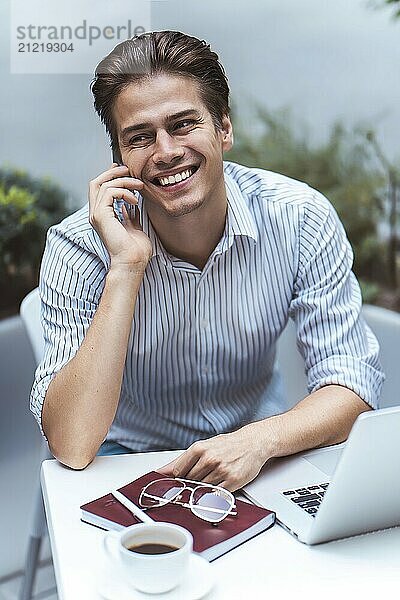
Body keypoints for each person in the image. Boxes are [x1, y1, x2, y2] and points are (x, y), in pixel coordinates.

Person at [30, 30, 384, 491]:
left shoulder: (300, 218)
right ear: (118, 157)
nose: (167, 151)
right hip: (126, 456)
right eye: (140, 137)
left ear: (224, 128)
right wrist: (127, 266)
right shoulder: (77, 247)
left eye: (182, 124)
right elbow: (73, 443)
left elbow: (351, 384)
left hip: (258, 444)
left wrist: (262, 440)